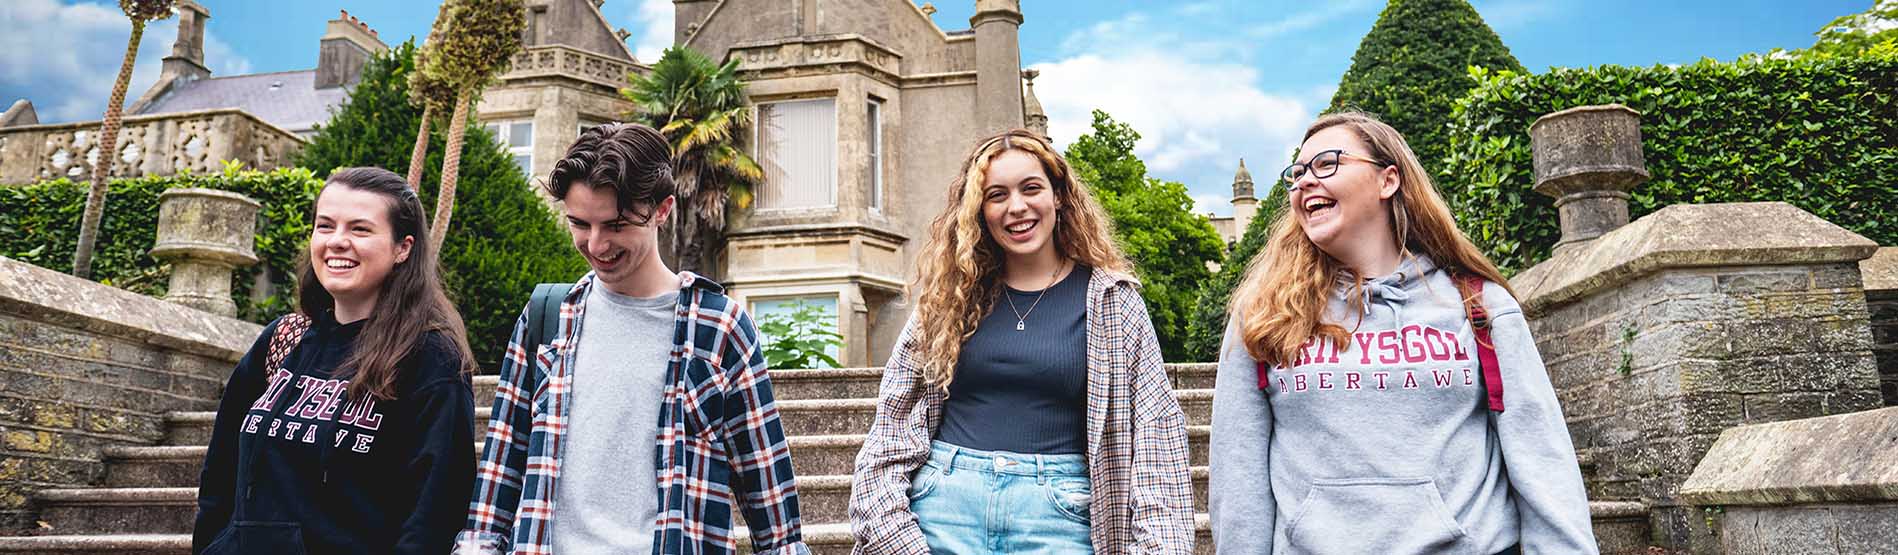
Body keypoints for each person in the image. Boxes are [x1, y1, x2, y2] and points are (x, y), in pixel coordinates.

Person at [1208, 112, 1598, 554]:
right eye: (1296, 174)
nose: (1303, 183)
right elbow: (1238, 480)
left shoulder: (1480, 304)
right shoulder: (1265, 314)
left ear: (1388, 180)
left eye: (1326, 164)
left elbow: (1542, 460)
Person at [456, 123, 809, 555]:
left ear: (662, 210)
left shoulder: (719, 326)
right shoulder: (547, 317)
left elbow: (767, 491)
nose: (597, 243)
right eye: (579, 223)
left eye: (616, 224)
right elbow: (501, 468)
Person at [850, 129, 1195, 555]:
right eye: (996, 195)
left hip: (1060, 516)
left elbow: (1155, 433)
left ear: (1059, 197)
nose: (1016, 207)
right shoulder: (947, 299)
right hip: (942, 509)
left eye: (1031, 188)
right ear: (979, 211)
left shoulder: (1113, 302)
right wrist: (893, 534)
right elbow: (892, 429)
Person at [192, 167, 477, 554]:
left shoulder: (430, 357)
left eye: (360, 229)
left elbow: (436, 510)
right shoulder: (282, 339)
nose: (337, 242)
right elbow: (220, 478)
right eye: (325, 226)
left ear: (402, 248)